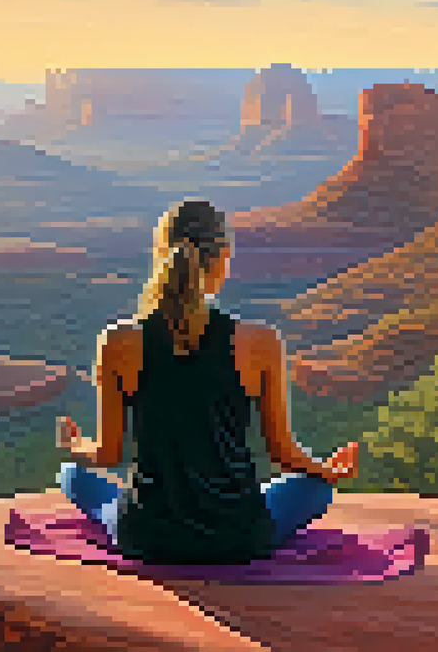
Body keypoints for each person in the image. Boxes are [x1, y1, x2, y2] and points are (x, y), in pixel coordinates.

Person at [56, 198, 359, 565]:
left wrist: (75, 446)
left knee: (72, 475)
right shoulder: (261, 343)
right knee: (315, 490)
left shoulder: (118, 342)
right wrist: (328, 469)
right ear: (223, 258)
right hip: (238, 536)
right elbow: (282, 453)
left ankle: (127, 498)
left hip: (149, 536)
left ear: (161, 255)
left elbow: (107, 454)